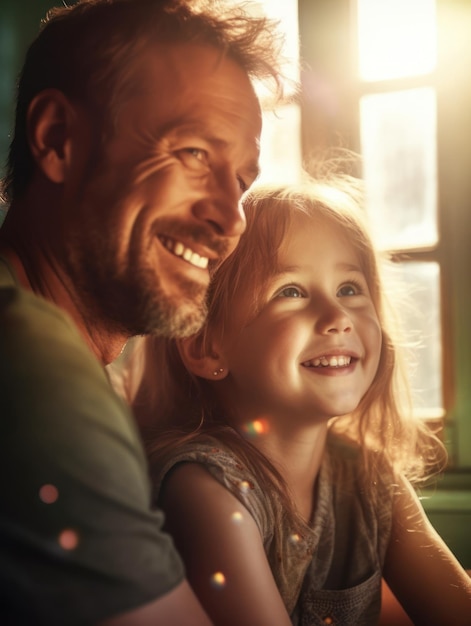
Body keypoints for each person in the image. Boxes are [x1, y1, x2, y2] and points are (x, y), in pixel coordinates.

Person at [0, 0, 284, 623]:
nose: (230, 218)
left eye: (240, 180)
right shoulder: (29, 357)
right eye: (194, 155)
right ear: (58, 140)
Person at [129, 174, 471, 625]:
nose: (337, 317)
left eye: (349, 288)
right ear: (205, 346)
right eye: (290, 292)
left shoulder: (371, 480)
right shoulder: (205, 492)